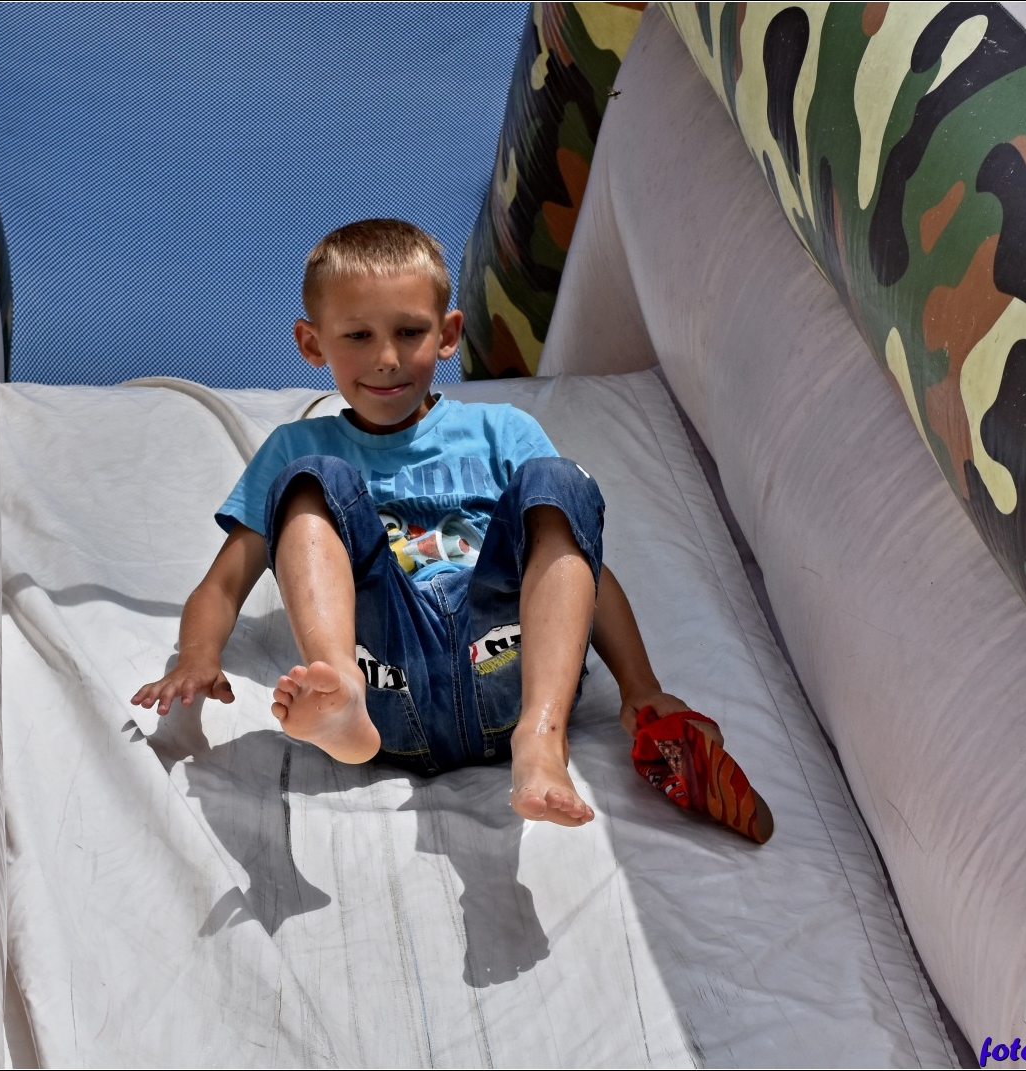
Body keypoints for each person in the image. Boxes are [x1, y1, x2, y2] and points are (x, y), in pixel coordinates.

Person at [131, 219, 694, 827]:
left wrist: (640, 687)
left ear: (447, 334)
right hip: (387, 668)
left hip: (501, 655)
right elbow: (222, 585)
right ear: (313, 344)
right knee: (308, 477)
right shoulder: (296, 446)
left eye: (409, 332)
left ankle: (540, 738)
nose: (387, 358)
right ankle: (342, 696)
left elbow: (576, 565)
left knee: (557, 481)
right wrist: (197, 655)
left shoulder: (502, 432)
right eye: (358, 335)